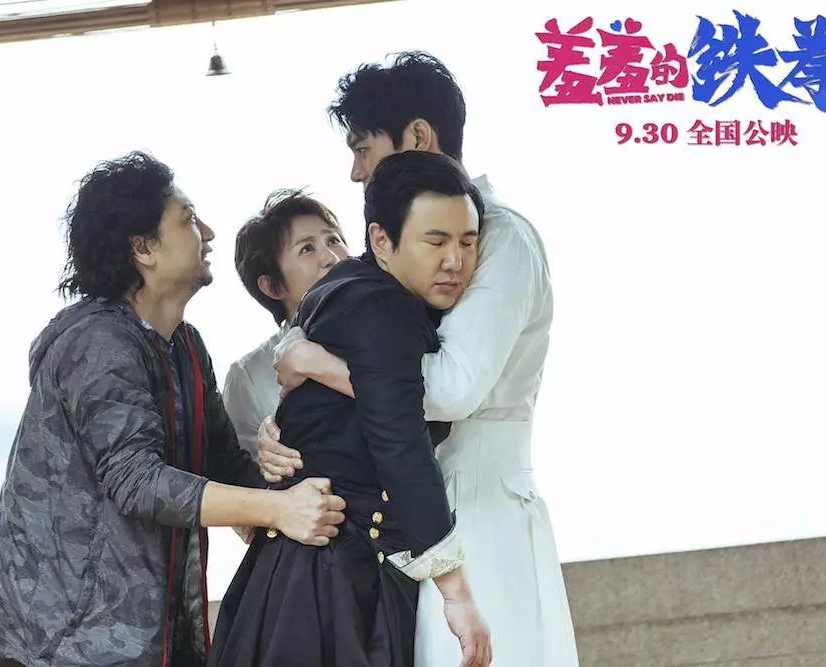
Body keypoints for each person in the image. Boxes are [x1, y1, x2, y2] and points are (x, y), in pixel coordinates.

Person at [259, 52, 579, 665]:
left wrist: (316, 362)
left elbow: (454, 387)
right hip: (418, 512)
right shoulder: (390, 265)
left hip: (479, 506)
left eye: (363, 149)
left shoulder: (504, 239)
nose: (355, 172)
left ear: (418, 138)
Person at [0, 152, 346, 667]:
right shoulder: (97, 344)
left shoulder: (185, 345)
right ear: (143, 248)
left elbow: (223, 462)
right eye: (188, 220)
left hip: (138, 640)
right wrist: (278, 510)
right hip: (60, 645)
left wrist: (285, 472)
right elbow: (137, 481)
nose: (208, 233)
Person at [209, 151, 491, 667]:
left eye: (468, 242)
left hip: (311, 570)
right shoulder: (380, 304)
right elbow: (399, 439)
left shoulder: (351, 293)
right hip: (331, 580)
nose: (455, 260)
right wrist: (455, 592)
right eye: (435, 242)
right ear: (382, 240)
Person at [222, 190, 349, 456]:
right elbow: (245, 471)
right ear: (272, 286)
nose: (331, 257)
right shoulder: (249, 376)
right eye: (307, 248)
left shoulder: (392, 324)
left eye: (333, 240)